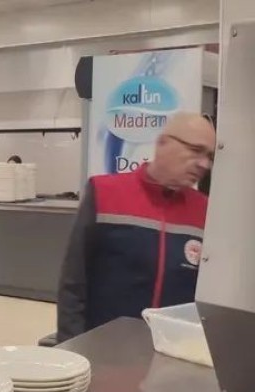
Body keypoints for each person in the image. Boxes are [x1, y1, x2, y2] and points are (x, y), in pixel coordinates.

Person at [57, 112, 216, 342]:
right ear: (163, 143)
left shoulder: (204, 210)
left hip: (172, 350)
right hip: (104, 348)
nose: (204, 164)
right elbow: (73, 283)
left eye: (209, 156)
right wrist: (71, 349)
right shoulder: (104, 192)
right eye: (195, 150)